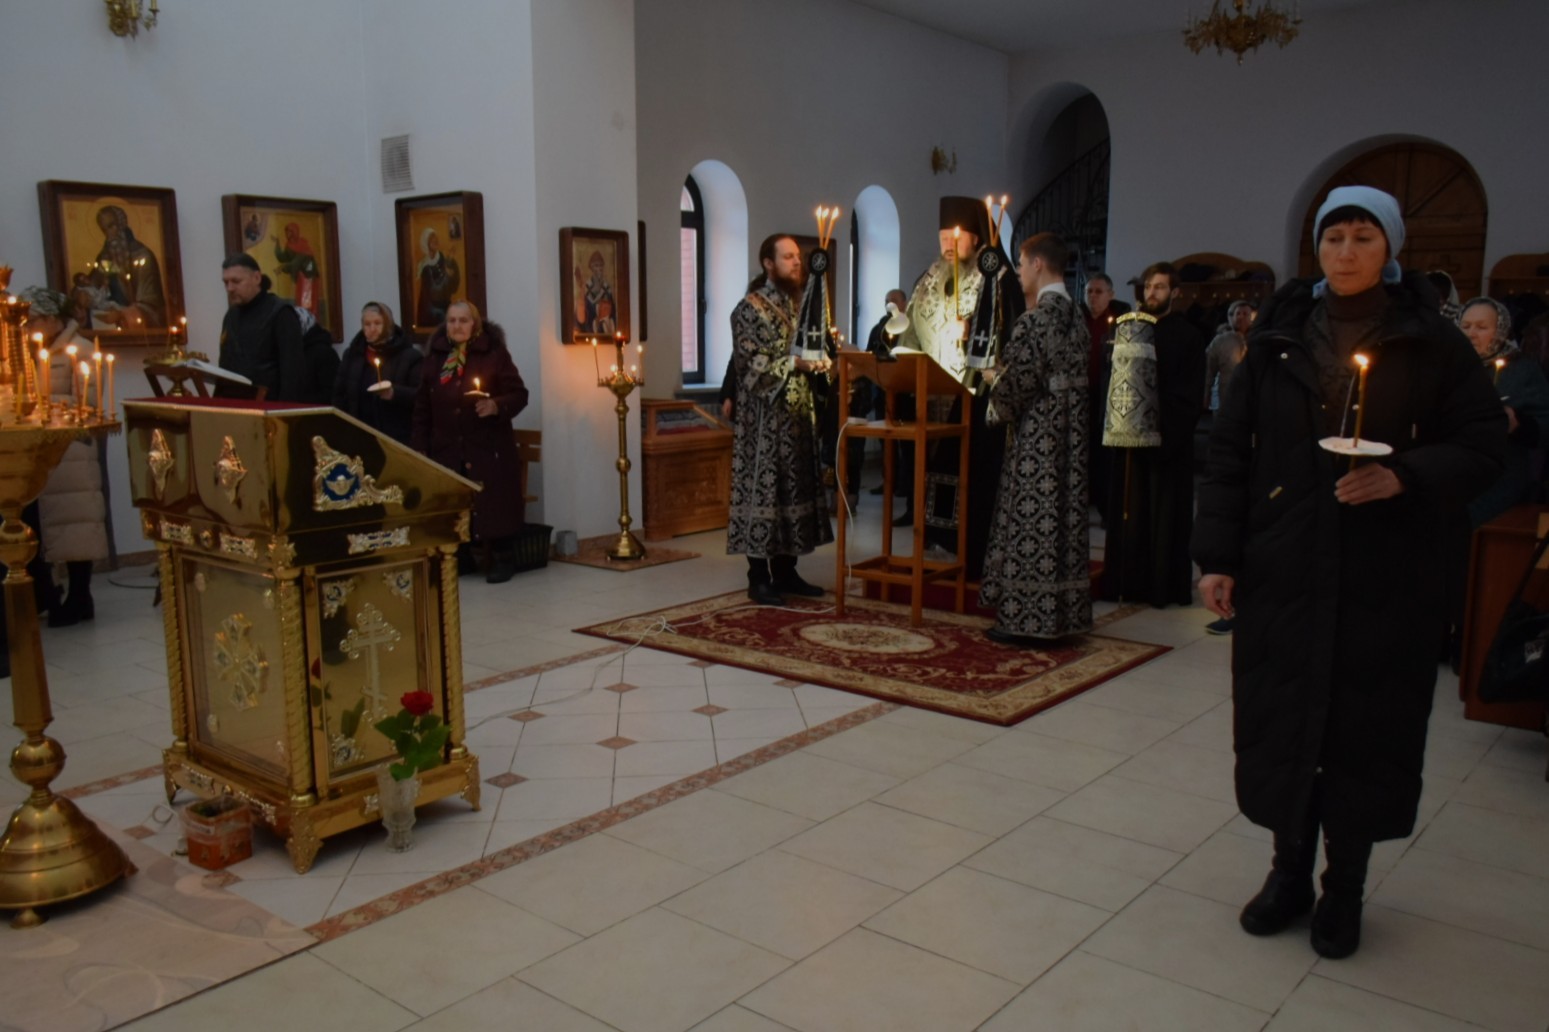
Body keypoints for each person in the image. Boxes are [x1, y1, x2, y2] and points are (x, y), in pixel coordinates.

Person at [1193, 185, 1505, 961]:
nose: (1345, 252)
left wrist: (1403, 474)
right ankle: (1287, 873)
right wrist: (1217, 556)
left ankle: (1344, 888)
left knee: (1364, 727)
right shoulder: (1278, 334)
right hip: (1286, 558)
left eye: (1363, 237)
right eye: (1334, 237)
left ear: (1388, 248)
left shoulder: (1430, 341)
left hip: (1385, 567)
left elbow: (1481, 445)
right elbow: (1229, 449)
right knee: (1286, 716)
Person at [979, 233, 1092, 645]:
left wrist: (994, 383)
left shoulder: (1035, 320)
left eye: (1022, 264)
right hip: (1072, 436)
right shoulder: (1077, 315)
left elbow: (1019, 383)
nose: (1019, 273)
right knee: (1064, 519)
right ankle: (1065, 617)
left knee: (1032, 522)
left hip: (1039, 437)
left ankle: (1029, 622)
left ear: (1038, 264)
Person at [726, 233, 832, 605]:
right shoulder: (749, 308)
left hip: (798, 420)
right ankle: (758, 578)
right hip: (763, 425)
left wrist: (823, 358)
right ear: (768, 264)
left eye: (798, 256)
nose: (796, 262)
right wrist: (794, 362)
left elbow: (816, 346)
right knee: (765, 495)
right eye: (788, 257)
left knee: (793, 493)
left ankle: (786, 572)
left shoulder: (802, 304)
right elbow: (749, 364)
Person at [1098, 261, 1204, 607]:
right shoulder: (1129, 329)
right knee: (1128, 514)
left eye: (1159, 287)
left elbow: (1190, 392)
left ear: (1175, 292)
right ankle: (1125, 581)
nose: (1151, 293)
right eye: (1148, 287)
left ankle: (1162, 587)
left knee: (1164, 517)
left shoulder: (1188, 336)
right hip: (1129, 442)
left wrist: (1159, 427)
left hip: (1167, 442)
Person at [411, 301, 530, 583]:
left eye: (463, 320)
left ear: (474, 324)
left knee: (493, 502)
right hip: (448, 446)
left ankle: (502, 558)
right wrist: (419, 446)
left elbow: (518, 394)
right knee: (455, 503)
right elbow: (422, 407)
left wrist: (495, 405)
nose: (457, 326)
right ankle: (460, 558)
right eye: (452, 321)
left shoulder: (494, 353)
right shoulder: (435, 357)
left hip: (487, 446)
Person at [18, 286, 111, 627]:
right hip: (38, 453)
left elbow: (89, 403)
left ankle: (80, 596)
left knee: (76, 524)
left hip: (71, 452)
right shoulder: (28, 352)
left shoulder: (81, 350)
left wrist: (42, 409)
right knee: (35, 523)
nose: (28, 328)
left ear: (53, 319)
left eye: (33, 321)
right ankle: (44, 592)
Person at [1459, 297, 1549, 526]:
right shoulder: (1448, 365)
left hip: (1500, 476)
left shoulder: (1521, 369)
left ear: (1501, 330)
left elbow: (1544, 426)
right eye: (1465, 326)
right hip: (1451, 469)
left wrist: (1517, 424)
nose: (1471, 334)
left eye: (1481, 327)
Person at [217, 253, 307, 401]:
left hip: (269, 405)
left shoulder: (280, 313)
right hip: (234, 404)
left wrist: (284, 411)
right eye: (226, 282)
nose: (230, 288)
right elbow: (225, 364)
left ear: (257, 278)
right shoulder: (231, 315)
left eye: (236, 281)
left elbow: (293, 374)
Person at [333, 301, 422, 444]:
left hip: (395, 437)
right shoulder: (352, 355)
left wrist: (394, 393)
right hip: (359, 436)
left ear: (388, 324)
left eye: (377, 323)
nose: (372, 329)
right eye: (367, 324)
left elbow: (421, 396)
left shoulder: (409, 357)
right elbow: (339, 394)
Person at [1081, 273, 1130, 522]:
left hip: (1108, 396)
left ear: (1111, 295)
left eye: (1098, 292)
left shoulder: (1120, 323)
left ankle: (1105, 505)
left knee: (1104, 454)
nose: (1092, 296)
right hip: (1082, 394)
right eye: (1089, 291)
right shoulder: (1078, 319)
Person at [91, 204, 166, 329]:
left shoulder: (143, 256)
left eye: (111, 226)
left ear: (121, 224)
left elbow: (150, 304)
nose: (109, 234)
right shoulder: (105, 258)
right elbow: (93, 288)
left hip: (136, 325)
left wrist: (122, 314)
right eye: (104, 230)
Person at [1204, 300, 1254, 412]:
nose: (1240, 317)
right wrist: (1206, 395)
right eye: (1237, 314)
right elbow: (1209, 369)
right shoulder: (1220, 341)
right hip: (1225, 397)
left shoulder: (1257, 341)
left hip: (1251, 398)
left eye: (1245, 314)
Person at [272, 222, 320, 317]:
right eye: (286, 232)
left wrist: (282, 268)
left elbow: (296, 262)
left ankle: (309, 321)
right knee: (300, 300)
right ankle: (302, 319)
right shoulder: (289, 245)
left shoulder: (303, 245)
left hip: (308, 277)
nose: (288, 234)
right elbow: (282, 257)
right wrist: (277, 243)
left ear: (295, 232)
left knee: (306, 302)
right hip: (301, 277)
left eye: (290, 232)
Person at [415, 229, 460, 328]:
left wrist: (451, 263)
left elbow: (453, 286)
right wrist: (447, 276)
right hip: (431, 310)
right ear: (426, 243)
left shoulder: (443, 259)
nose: (435, 241)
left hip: (445, 306)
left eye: (435, 238)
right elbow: (434, 291)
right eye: (432, 239)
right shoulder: (425, 267)